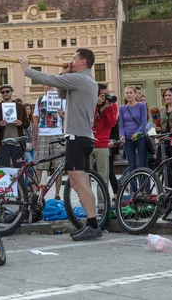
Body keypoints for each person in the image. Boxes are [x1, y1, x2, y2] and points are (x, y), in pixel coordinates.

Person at [19, 48, 101, 241]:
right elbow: (63, 94)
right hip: (83, 137)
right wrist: (66, 72)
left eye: (74, 58)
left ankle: (93, 224)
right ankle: (91, 223)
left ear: (82, 62)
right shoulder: (86, 80)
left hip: (77, 137)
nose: (71, 60)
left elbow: (51, 80)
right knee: (78, 182)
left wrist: (27, 70)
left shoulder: (80, 79)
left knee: (79, 182)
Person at [33, 85, 66, 200]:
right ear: (43, 86)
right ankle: (35, 193)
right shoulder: (39, 100)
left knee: (58, 167)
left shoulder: (61, 100)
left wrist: (61, 115)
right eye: (46, 84)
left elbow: (66, 117)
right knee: (39, 166)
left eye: (51, 84)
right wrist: (34, 137)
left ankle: (57, 194)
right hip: (43, 135)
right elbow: (36, 121)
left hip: (57, 134)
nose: (49, 87)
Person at [91, 83, 118, 211]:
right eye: (103, 94)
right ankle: (87, 203)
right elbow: (88, 119)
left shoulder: (113, 106)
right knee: (85, 176)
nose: (106, 97)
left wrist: (108, 108)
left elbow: (112, 123)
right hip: (88, 142)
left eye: (107, 93)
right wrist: (96, 104)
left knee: (103, 176)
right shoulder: (90, 103)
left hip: (102, 143)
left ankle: (102, 204)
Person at [0, 85, 29, 168]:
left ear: (11, 92)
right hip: (3, 144)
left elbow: (27, 124)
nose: (5, 93)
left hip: (17, 144)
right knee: (4, 170)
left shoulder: (20, 107)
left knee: (19, 170)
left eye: (7, 91)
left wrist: (21, 123)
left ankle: (20, 181)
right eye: (3, 92)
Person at [119, 86, 148, 183]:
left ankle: (145, 190)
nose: (128, 95)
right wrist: (122, 135)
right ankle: (133, 190)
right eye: (127, 93)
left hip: (139, 138)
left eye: (131, 93)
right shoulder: (122, 108)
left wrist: (136, 134)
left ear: (135, 94)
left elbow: (143, 123)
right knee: (131, 165)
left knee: (142, 164)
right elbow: (121, 125)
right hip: (127, 140)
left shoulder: (141, 106)